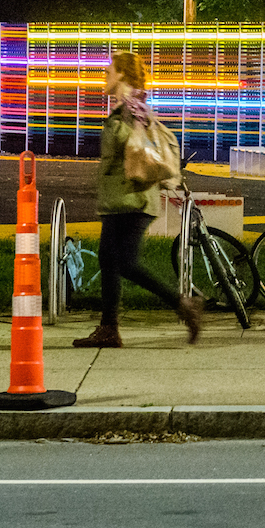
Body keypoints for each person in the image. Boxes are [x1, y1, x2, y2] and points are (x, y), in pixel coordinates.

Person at [72, 50, 202, 348]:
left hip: (133, 200)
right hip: (120, 200)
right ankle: (108, 329)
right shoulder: (128, 107)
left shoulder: (133, 108)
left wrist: (120, 119)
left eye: (109, 71)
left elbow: (130, 147)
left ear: (122, 75)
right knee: (109, 260)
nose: (105, 76)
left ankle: (184, 305)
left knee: (126, 263)